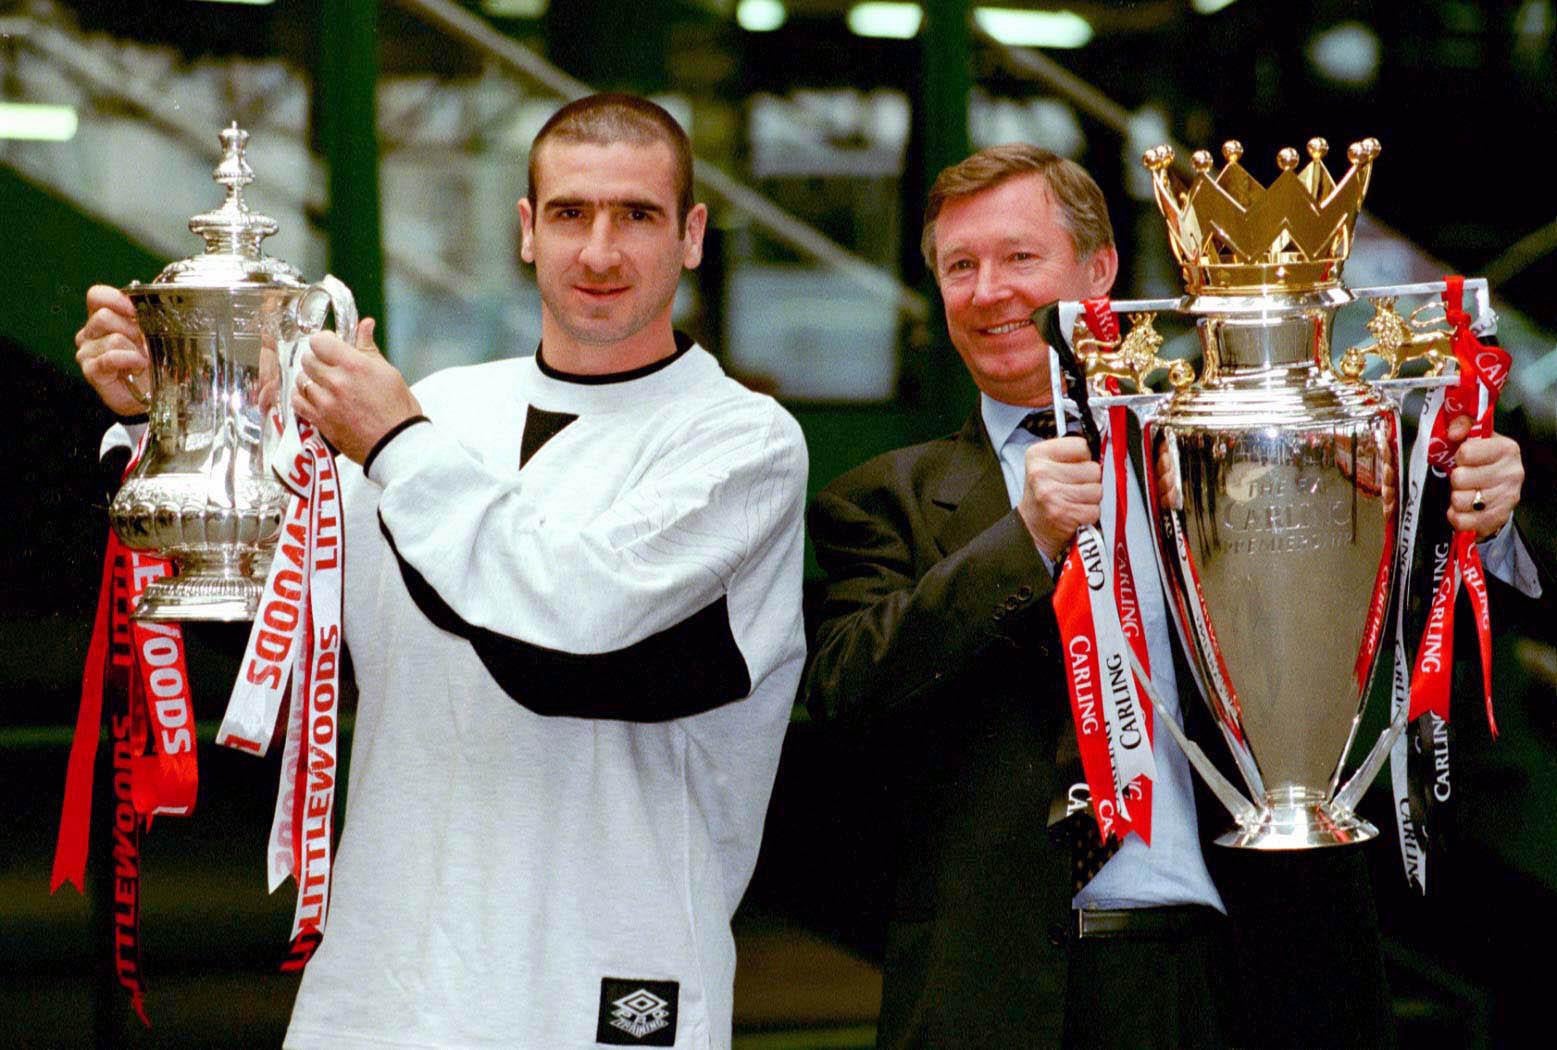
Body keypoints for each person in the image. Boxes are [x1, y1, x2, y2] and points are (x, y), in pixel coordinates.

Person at [74, 93, 808, 1050]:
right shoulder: (440, 410)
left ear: (692, 235)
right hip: (393, 962)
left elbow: (568, 622)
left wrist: (393, 443)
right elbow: (269, 593)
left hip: (600, 956)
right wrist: (173, 419)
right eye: (569, 213)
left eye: (637, 215)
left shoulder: (741, 441)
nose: (599, 251)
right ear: (526, 232)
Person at [802, 143, 1534, 1049]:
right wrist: (1021, 538)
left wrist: (1478, 519)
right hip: (1000, 984)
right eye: (960, 266)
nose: (988, 290)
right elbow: (842, 698)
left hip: (1253, 968)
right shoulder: (883, 499)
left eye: (1019, 258)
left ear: (1099, 270)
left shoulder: (1259, 450)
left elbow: (1417, 642)